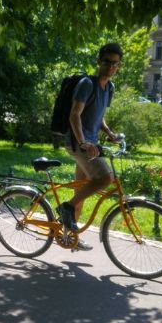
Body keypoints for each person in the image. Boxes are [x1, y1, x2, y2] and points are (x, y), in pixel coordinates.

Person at [58, 42, 123, 251]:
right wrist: (83, 142)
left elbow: (99, 117)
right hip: (77, 143)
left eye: (115, 64)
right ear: (99, 61)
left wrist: (110, 133)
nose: (111, 67)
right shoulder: (87, 84)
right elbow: (75, 114)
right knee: (105, 177)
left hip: (90, 144)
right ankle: (66, 208)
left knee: (82, 189)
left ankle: (70, 238)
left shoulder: (109, 88)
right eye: (107, 62)